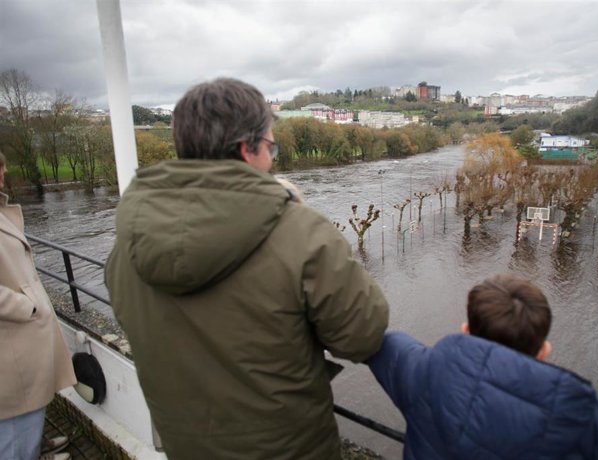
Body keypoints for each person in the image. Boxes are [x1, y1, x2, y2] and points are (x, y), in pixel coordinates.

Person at [104, 78, 389, 460]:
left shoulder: (125, 247)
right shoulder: (301, 234)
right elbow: (364, 334)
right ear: (246, 148)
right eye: (271, 146)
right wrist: (295, 216)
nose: (273, 159)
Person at [368, 274, 598, 460]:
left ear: (466, 330)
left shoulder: (420, 373)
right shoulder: (591, 419)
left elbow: (376, 340)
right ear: (543, 351)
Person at [0, 150, 76, 460]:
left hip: (17, 340)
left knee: (23, 415)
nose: (3, 173)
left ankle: (35, 447)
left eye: (2, 166)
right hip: (11, 340)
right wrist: (27, 306)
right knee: (16, 424)